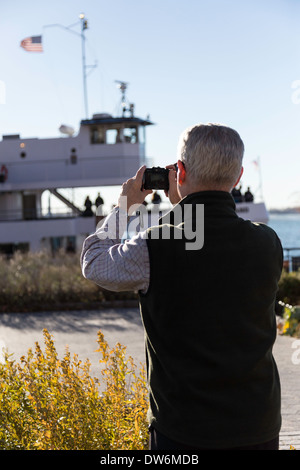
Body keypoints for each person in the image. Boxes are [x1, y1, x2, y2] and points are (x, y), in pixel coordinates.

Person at [80, 123, 283, 450]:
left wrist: (124, 207)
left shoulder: (154, 245)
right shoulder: (268, 242)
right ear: (239, 176)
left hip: (185, 432)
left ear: (181, 172)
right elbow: (207, 249)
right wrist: (186, 205)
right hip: (258, 426)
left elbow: (94, 262)